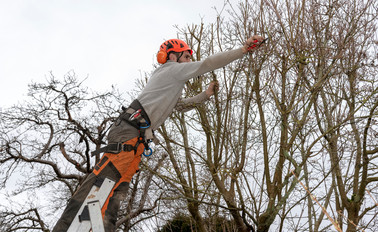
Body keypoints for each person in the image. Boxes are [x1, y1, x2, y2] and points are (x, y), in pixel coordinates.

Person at [53, 35, 264, 232]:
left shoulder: (171, 82)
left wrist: (205, 95)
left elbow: (179, 105)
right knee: (102, 183)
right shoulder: (171, 70)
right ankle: (69, 227)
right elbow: (206, 64)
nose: (190, 59)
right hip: (128, 132)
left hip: (135, 138)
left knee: (116, 192)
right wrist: (243, 49)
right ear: (173, 55)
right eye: (186, 55)